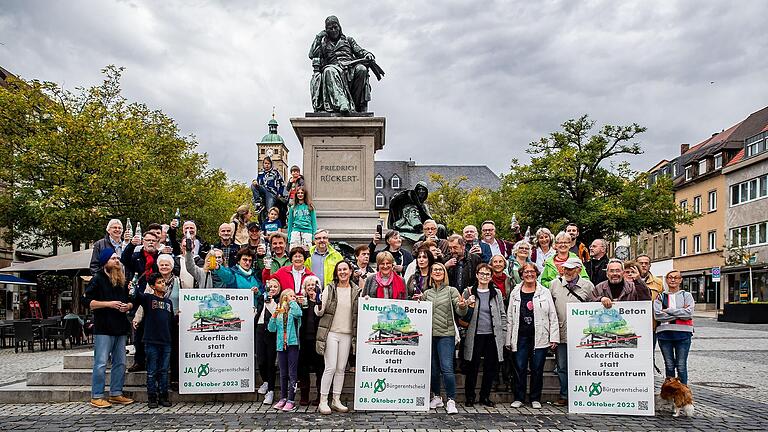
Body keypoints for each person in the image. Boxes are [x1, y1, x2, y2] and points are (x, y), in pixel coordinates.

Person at [84, 248, 134, 408]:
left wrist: (129, 306)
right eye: (113, 259)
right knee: (100, 363)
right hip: (104, 327)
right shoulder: (97, 279)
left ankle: (116, 393)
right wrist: (108, 304)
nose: (117, 261)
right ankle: (97, 395)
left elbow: (130, 300)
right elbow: (88, 303)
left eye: (117, 259)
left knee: (120, 362)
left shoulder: (122, 280)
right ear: (105, 262)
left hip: (120, 326)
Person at [505, 262, 559, 409]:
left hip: (540, 336)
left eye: (532, 272)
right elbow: (510, 316)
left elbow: (552, 316)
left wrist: (554, 337)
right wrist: (508, 338)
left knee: (537, 368)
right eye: (526, 272)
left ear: (537, 274)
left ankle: (535, 398)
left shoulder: (544, 292)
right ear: (521, 274)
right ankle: (519, 398)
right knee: (520, 368)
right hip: (520, 336)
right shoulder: (516, 292)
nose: (529, 274)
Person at [315, 261, 361, 414]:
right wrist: (318, 304)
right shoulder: (330, 288)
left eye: (345, 269)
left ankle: (336, 399)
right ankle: (323, 400)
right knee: (330, 367)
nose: (342, 272)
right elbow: (320, 312)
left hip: (347, 333)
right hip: (331, 333)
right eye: (339, 270)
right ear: (336, 273)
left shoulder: (356, 290)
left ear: (350, 271)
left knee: (341, 368)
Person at [548, 257, 595, 406]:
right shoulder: (554, 284)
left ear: (578, 270)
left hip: (582, 334)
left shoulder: (588, 286)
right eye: (565, 269)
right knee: (562, 366)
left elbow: (594, 308)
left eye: (570, 269)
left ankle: (582, 394)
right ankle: (565, 395)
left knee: (582, 366)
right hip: (561, 332)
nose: (567, 272)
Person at [423, 262, 468, 414]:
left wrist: (462, 305)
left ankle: (451, 400)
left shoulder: (451, 291)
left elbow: (460, 311)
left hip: (446, 335)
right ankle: (436, 397)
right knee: (434, 370)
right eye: (434, 269)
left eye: (440, 269)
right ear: (431, 273)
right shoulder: (426, 293)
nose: (437, 272)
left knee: (447, 368)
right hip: (430, 335)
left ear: (444, 273)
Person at [309, 15, 377, 113]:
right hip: (334, 67)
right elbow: (311, 54)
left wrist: (368, 54)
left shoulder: (348, 40)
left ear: (339, 27)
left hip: (351, 67)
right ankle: (342, 103)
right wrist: (318, 37)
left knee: (362, 69)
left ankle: (356, 105)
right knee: (328, 71)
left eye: (335, 27)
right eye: (330, 28)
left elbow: (360, 51)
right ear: (326, 30)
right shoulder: (324, 44)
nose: (333, 30)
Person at [132, 254, 181, 387]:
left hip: (174, 321)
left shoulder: (179, 282)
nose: (164, 267)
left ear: (172, 267)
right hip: (154, 320)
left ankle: (174, 379)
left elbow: (186, 298)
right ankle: (153, 389)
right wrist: (137, 318)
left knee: (174, 351)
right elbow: (144, 301)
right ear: (158, 266)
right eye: (162, 264)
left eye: (167, 264)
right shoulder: (151, 283)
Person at [462, 264, 506, 407]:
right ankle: (470, 396)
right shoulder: (468, 292)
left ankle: (484, 396)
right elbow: (461, 313)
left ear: (491, 276)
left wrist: (503, 334)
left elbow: (502, 315)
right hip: (475, 335)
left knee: (490, 368)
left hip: (492, 335)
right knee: (472, 367)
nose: (484, 276)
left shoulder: (496, 293)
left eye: (487, 274)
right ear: (476, 275)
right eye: (481, 273)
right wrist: (467, 304)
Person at [133, 272, 174, 408]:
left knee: (163, 370)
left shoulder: (169, 302)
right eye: (159, 282)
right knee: (152, 370)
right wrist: (134, 286)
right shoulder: (148, 299)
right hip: (152, 340)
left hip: (166, 341)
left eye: (163, 282)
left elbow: (170, 321)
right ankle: (152, 396)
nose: (163, 284)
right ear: (152, 286)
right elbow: (137, 296)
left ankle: (163, 395)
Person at [123, 231, 159, 373]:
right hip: (139, 297)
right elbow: (124, 259)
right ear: (143, 241)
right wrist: (131, 245)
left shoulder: (161, 257)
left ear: (157, 242)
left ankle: (154, 361)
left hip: (155, 296)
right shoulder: (136, 257)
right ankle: (139, 361)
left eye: (153, 240)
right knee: (138, 330)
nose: (150, 242)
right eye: (148, 240)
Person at [654, 270, 694, 384]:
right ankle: (670, 393)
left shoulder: (687, 295)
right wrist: (680, 313)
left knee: (681, 366)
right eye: (670, 277)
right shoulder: (661, 297)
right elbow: (658, 315)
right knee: (669, 365)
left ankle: (683, 394)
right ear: (666, 280)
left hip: (683, 334)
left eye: (676, 277)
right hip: (664, 334)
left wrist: (669, 311)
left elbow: (689, 314)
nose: (673, 280)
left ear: (680, 280)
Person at [268, 288, 302, 412]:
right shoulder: (280, 312)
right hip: (281, 345)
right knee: (283, 373)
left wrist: (293, 301)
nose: (292, 297)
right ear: (283, 298)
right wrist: (274, 316)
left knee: (292, 373)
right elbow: (271, 329)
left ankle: (291, 400)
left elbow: (299, 314)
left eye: (293, 296)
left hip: (293, 344)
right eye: (289, 296)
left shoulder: (294, 311)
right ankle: (283, 398)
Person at [297, 275, 324, 406]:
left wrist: (316, 301)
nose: (311, 287)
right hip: (303, 340)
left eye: (313, 285)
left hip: (317, 339)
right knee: (303, 369)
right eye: (308, 285)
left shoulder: (321, 301)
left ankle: (320, 396)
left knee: (320, 369)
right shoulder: (301, 301)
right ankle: (304, 395)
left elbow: (322, 314)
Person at [256, 278, 281, 405]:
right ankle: (265, 381)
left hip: (271, 332)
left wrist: (270, 301)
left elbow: (275, 314)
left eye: (275, 287)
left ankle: (271, 390)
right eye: (270, 286)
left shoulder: (278, 302)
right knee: (261, 359)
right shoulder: (261, 298)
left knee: (271, 361)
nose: (272, 289)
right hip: (260, 329)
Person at [287, 186, 317, 250]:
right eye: (298, 193)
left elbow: (314, 222)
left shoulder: (310, 207)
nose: (300, 194)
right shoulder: (293, 207)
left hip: (307, 231)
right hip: (296, 230)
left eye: (302, 193)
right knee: (294, 250)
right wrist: (289, 236)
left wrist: (314, 236)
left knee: (307, 251)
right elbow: (290, 222)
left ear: (305, 194)